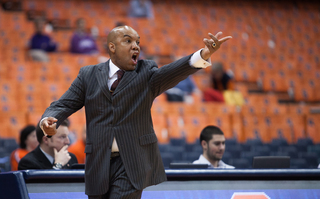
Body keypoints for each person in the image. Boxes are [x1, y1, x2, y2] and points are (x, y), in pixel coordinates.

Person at [39, 25, 231, 198]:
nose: (136, 46)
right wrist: (49, 119)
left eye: (137, 42)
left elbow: (173, 71)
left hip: (130, 162)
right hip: (98, 162)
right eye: (128, 41)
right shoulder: (88, 75)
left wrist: (203, 55)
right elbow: (64, 104)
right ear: (112, 47)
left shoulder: (145, 73)